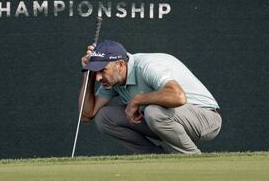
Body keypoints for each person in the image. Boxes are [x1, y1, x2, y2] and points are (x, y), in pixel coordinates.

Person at [79, 40, 222, 154]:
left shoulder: (147, 66)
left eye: (102, 70)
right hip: (167, 120)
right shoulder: (112, 78)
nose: (99, 77)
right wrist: (88, 73)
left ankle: (192, 159)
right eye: (96, 72)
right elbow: (86, 114)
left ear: (120, 65)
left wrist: (137, 99)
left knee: (153, 111)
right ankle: (156, 159)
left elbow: (178, 97)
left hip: (206, 118)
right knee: (104, 117)